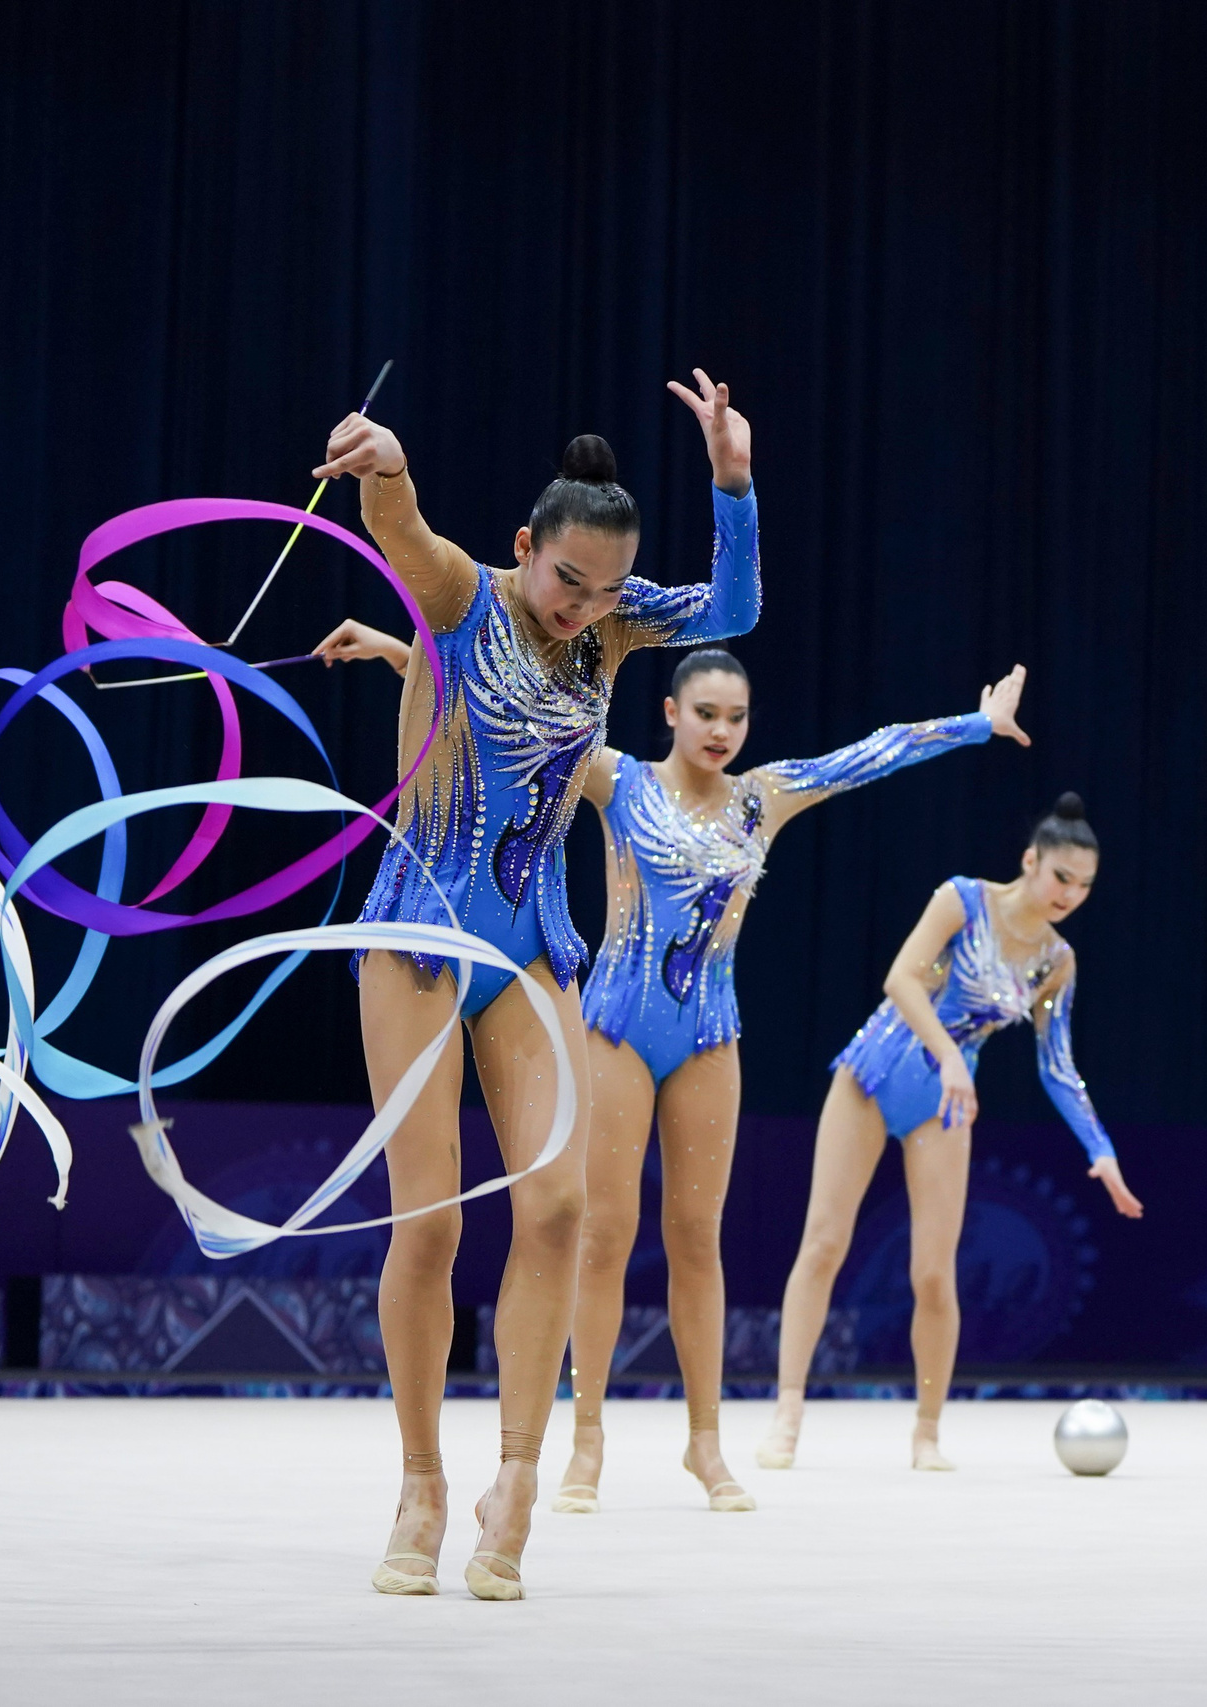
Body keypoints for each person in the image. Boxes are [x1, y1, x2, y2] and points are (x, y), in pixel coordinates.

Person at [311, 370, 756, 1601]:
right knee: (431, 1221)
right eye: (569, 581)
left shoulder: (612, 632)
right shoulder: (464, 597)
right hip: (418, 934)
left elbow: (734, 606)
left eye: (608, 589)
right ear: (524, 547)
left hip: (531, 945)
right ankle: (419, 1483)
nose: (586, 608)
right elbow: (399, 529)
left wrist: (731, 483)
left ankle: (514, 1477)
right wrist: (389, 464)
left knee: (558, 1206)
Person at [553, 650, 1033, 1516]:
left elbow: (872, 753)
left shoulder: (761, 798)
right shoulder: (617, 780)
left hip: (707, 1035)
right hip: (617, 1025)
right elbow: (512, 720)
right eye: (706, 713)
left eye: (735, 717)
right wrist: (411, 653)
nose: (721, 731)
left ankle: (706, 1444)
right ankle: (586, 1439)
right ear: (670, 711)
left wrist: (976, 725)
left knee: (697, 1238)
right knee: (605, 1234)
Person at [758, 794, 1143, 1474]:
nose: (1070, 894)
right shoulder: (962, 900)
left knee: (935, 1273)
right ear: (1031, 861)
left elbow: (1058, 1067)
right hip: (874, 1074)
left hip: (943, 1104)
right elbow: (901, 980)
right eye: (1061, 876)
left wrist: (1102, 1151)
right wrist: (949, 1058)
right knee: (823, 1243)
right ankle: (787, 1413)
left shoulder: (1056, 960)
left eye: (1084, 885)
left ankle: (927, 1434)